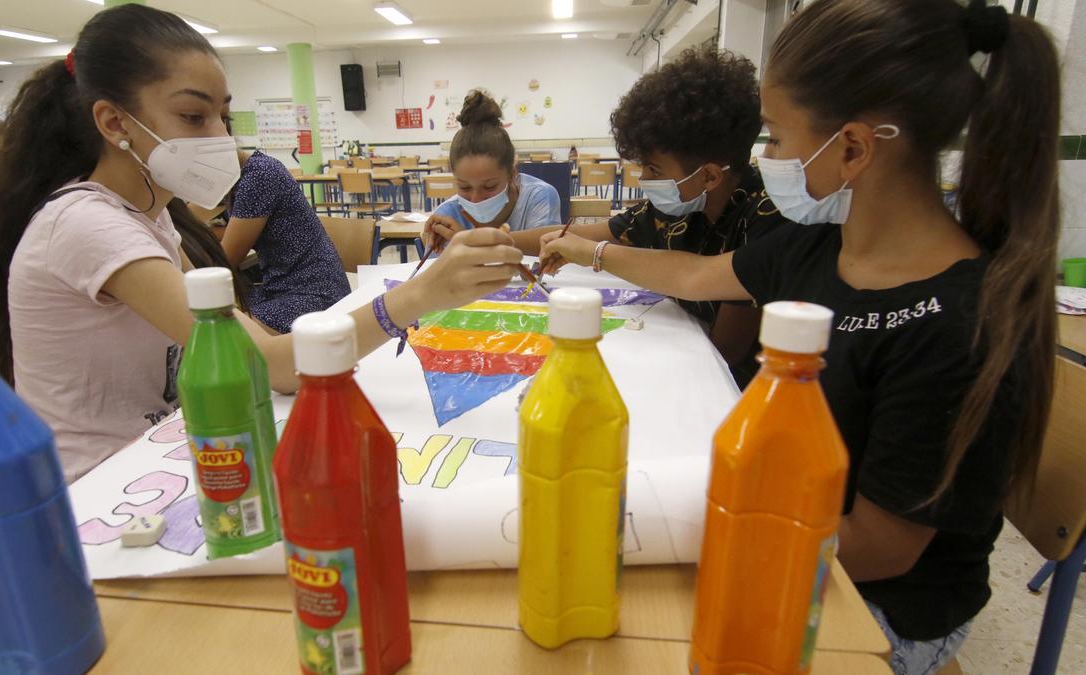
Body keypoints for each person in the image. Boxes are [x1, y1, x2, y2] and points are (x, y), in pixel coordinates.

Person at [542, 1, 1057, 671]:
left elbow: (880, 546)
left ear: (851, 148)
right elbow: (697, 276)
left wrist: (714, 531)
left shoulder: (957, 321)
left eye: (777, 139)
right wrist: (589, 251)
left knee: (639, 632)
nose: (769, 159)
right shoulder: (815, 246)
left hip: (881, 605)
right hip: (799, 527)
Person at [0, 4, 522, 483]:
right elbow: (267, 363)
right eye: (192, 116)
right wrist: (420, 295)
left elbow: (237, 338)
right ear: (114, 122)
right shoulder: (87, 224)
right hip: (96, 488)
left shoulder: (149, 216)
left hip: (157, 453)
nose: (219, 139)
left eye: (222, 117)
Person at [455, 49, 785, 387]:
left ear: (710, 177)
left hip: (731, 386)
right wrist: (498, 240)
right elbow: (585, 233)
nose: (644, 179)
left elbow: (724, 351)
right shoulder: (676, 207)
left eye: (654, 170)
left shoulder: (765, 216)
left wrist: (594, 255)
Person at [217, 148, 350, 333]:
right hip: (284, 286)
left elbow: (223, 262)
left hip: (314, 292)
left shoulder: (259, 175)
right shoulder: (248, 172)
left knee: (224, 329)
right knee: (226, 311)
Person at [426, 90, 561, 234]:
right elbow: (437, 257)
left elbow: (545, 246)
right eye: (465, 187)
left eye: (489, 186)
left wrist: (466, 242)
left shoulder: (537, 197)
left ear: (512, 174)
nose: (476, 200)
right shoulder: (447, 215)